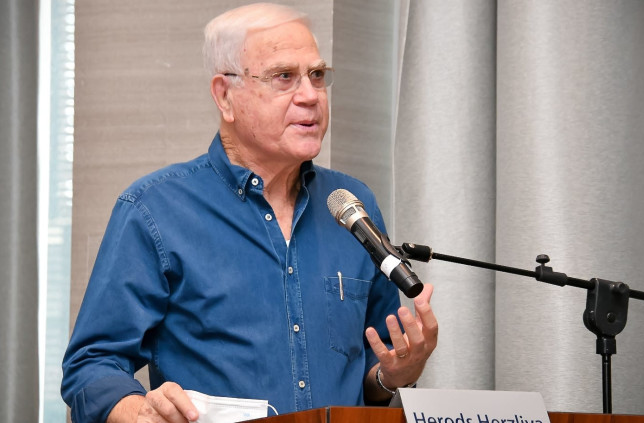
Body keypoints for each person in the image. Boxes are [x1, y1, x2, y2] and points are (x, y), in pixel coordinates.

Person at [61, 3, 438, 423]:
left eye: (317, 75)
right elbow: (91, 366)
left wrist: (393, 375)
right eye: (284, 77)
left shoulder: (350, 205)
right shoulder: (155, 211)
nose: (310, 95)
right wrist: (139, 411)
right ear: (225, 96)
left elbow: (372, 369)